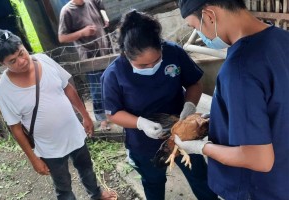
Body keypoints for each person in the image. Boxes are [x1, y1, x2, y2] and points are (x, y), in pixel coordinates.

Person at [176, 1, 289, 200]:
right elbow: (276, 103)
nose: (199, 33)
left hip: (257, 189)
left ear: (209, 15)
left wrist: (201, 147)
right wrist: (223, 115)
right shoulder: (282, 38)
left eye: (195, 27)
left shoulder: (239, 68)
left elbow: (259, 159)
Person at [101, 10, 218, 200]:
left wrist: (189, 105)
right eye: (142, 66)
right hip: (144, 143)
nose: (151, 68)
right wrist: (141, 123)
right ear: (126, 55)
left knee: (200, 177)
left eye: (156, 61)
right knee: (153, 183)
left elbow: (194, 82)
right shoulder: (114, 74)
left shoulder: (173, 53)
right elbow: (113, 113)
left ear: (161, 46)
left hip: (183, 132)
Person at [0, 29, 116, 200]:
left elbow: (68, 89)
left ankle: (96, 194)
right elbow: (16, 128)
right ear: (2, 63)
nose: (22, 61)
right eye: (13, 61)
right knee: (63, 187)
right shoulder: (4, 90)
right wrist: (34, 159)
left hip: (74, 133)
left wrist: (85, 115)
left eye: (22, 53)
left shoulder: (44, 60)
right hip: (49, 148)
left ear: (24, 47)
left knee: (86, 169)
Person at [58, 0, 111, 131]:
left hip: (105, 50)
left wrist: (105, 17)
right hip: (89, 56)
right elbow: (62, 38)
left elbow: (101, 6)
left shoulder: (91, 2)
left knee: (111, 84)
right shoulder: (67, 11)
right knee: (97, 89)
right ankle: (102, 120)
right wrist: (82, 32)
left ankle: (116, 113)